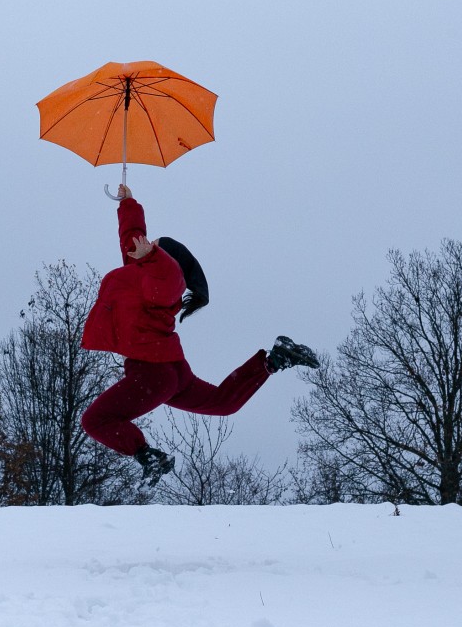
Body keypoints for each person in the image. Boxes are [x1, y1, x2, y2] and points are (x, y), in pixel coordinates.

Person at [80, 184, 320, 485]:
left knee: (95, 421)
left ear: (163, 257)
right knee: (223, 403)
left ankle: (147, 457)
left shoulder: (164, 285)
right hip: (170, 371)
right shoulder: (139, 269)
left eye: (154, 244)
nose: (146, 243)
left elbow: (168, 276)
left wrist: (154, 254)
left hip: (152, 374)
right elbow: (132, 234)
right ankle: (275, 359)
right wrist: (128, 203)